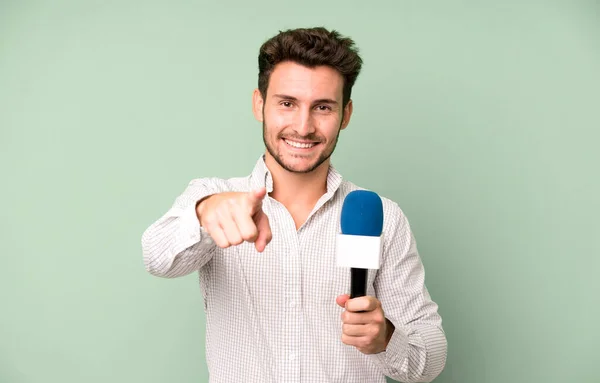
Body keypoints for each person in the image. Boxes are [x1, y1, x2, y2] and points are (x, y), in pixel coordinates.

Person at [142, 27, 447, 383]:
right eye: (287, 103)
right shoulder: (215, 197)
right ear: (260, 103)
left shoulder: (382, 217)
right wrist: (204, 215)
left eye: (322, 107)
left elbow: (431, 357)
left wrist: (386, 339)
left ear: (345, 115)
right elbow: (156, 256)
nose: (303, 127)